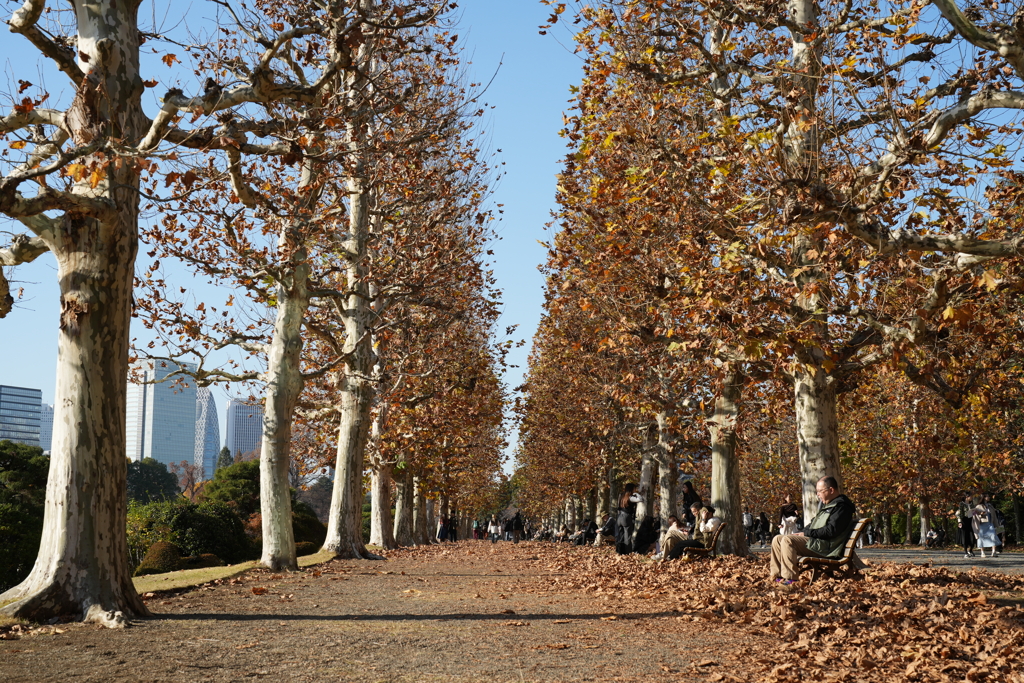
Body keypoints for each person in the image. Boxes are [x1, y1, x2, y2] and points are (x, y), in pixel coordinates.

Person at [769, 476, 858, 585]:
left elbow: (831, 531)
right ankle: (777, 577)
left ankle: (791, 580)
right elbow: (813, 524)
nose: (818, 494)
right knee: (777, 539)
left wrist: (806, 533)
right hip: (819, 542)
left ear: (831, 490)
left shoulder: (842, 507)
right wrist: (800, 532)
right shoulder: (828, 505)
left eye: (820, 491)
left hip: (827, 547)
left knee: (788, 540)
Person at [616, 483, 643, 555]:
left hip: (619, 517)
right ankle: (628, 553)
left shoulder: (620, 496)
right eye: (634, 488)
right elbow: (640, 499)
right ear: (632, 489)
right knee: (627, 536)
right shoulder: (630, 497)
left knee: (620, 536)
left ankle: (619, 551)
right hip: (626, 517)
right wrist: (636, 494)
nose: (635, 489)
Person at [957, 493, 976, 559]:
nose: (971, 497)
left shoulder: (972, 504)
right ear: (966, 497)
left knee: (972, 537)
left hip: (971, 520)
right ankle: (965, 552)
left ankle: (970, 550)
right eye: (971, 496)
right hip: (964, 520)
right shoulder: (961, 504)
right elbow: (959, 513)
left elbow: (974, 512)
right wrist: (959, 521)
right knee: (964, 536)